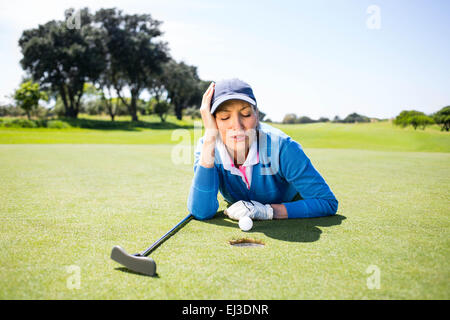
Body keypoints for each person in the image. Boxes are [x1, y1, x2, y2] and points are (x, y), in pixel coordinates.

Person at [187, 78, 338, 221]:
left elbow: (326, 202)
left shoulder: (283, 147)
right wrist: (209, 140)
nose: (238, 126)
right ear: (213, 121)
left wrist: (269, 211)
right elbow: (201, 212)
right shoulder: (207, 147)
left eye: (246, 114)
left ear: (257, 115)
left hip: (288, 205)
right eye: (225, 117)